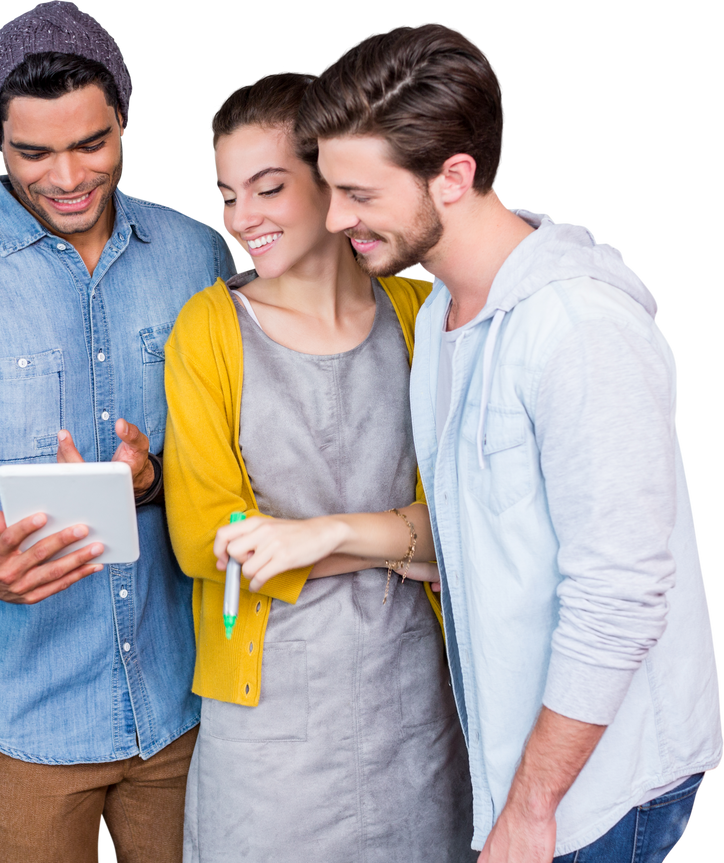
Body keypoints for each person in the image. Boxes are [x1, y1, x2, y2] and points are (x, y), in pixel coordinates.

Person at [296, 21, 723, 862]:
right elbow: (481, 545)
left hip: (598, 796)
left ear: (453, 177)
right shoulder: (446, 324)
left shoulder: (578, 329)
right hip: (523, 778)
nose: (335, 217)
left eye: (361, 193)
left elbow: (621, 597)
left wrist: (531, 810)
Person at [0, 2, 237, 861]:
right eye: (34, 152)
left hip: (186, 703)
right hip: (25, 723)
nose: (69, 175)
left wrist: (156, 480)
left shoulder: (202, 254)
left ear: (125, 125)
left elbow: (248, 452)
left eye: (93, 144)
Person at [162, 70, 474, 862]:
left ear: (333, 185)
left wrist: (307, 537)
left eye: (268, 188)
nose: (242, 219)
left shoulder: (418, 312)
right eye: (228, 195)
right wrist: (399, 541)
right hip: (268, 727)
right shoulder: (208, 329)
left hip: (415, 709)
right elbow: (208, 542)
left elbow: (469, 525)